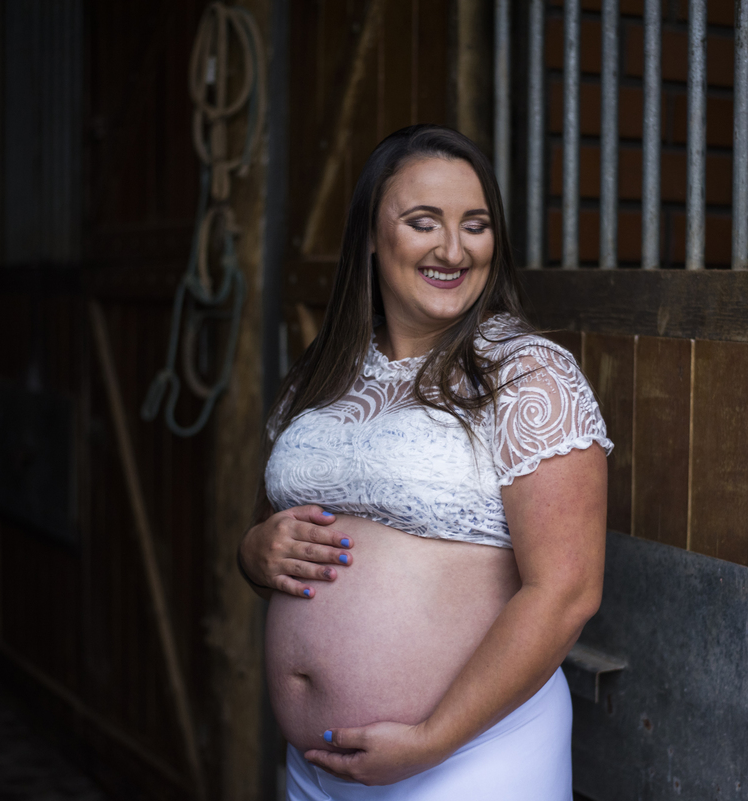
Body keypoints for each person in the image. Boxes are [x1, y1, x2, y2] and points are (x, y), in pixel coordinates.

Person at [238, 124, 611, 799]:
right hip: (316, 773)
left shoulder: (529, 377)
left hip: (469, 757)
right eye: (423, 222)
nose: (453, 249)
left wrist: (433, 738)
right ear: (371, 236)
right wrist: (254, 553)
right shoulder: (325, 370)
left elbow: (566, 593)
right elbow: (276, 533)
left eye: (476, 225)